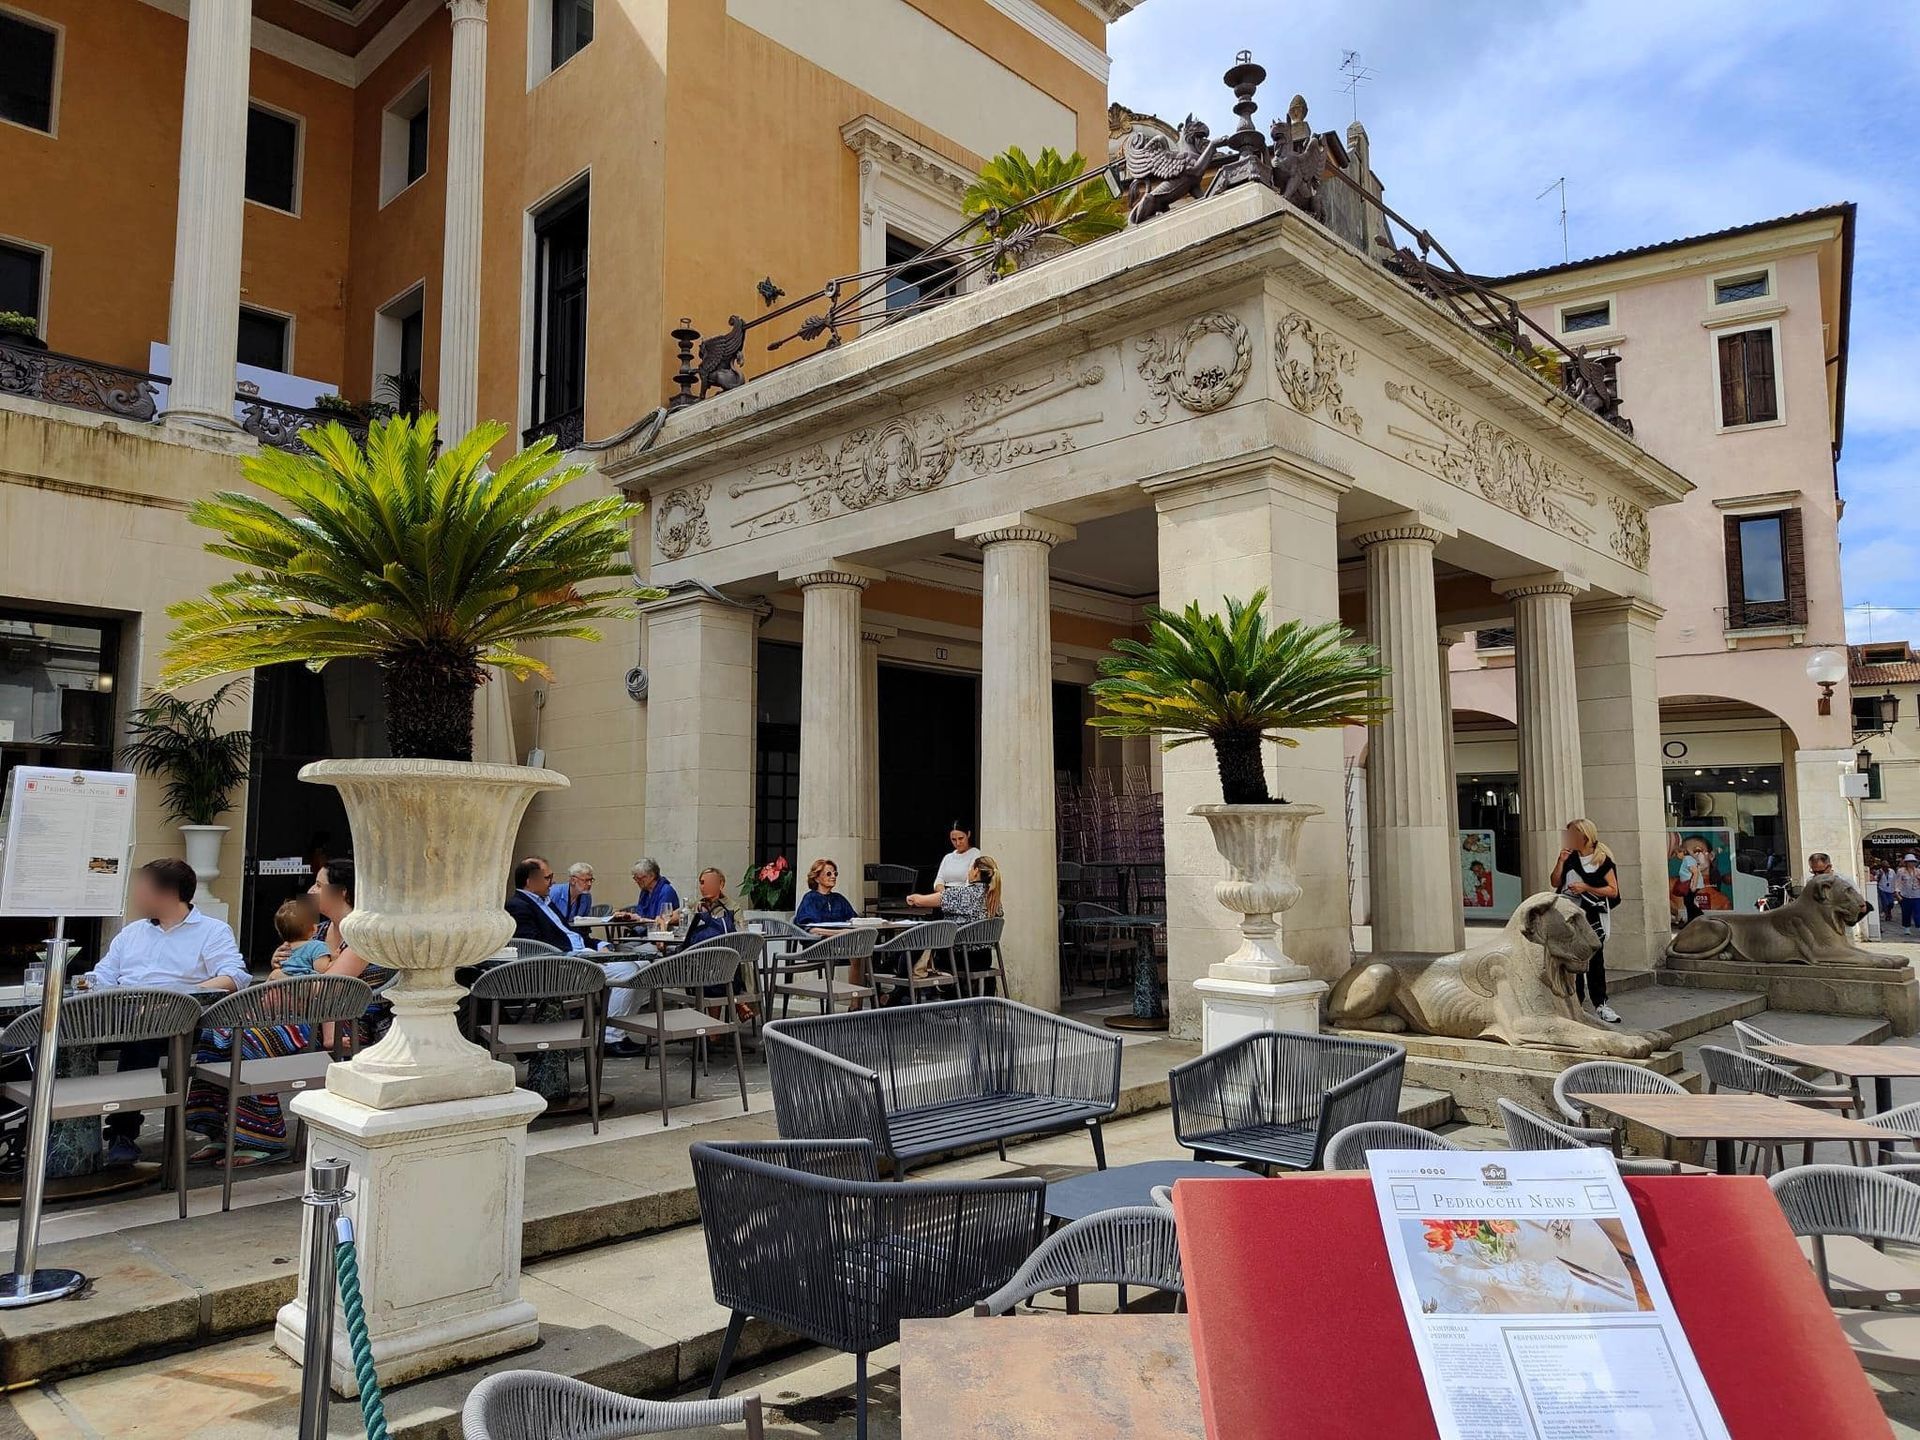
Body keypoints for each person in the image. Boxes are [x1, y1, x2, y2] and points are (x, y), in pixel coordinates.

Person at [83, 858, 249, 1168]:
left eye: (142, 888)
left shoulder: (211, 931)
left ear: (168, 892)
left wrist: (172, 1000)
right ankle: (50, 1128)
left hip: (179, 1018)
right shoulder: (132, 933)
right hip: (121, 1010)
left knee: (142, 1035)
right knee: (52, 1035)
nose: (135, 895)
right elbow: (102, 976)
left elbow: (233, 977)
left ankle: (122, 1133)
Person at [1552, 819, 1620, 1024]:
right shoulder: (1570, 858)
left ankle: (1601, 1003)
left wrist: (1586, 887)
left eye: (1572, 834)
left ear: (1584, 836)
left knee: (1595, 959)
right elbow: (1555, 882)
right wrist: (1561, 861)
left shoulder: (1602, 859)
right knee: (1573, 958)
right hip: (1571, 913)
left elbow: (1613, 890)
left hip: (1593, 914)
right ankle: (1577, 1002)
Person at [507, 856, 588, 953]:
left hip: (581, 953)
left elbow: (567, 930)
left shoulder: (546, 902)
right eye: (548, 878)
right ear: (530, 882)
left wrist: (600, 945)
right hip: (562, 961)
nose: (552, 882)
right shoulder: (518, 906)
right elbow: (533, 946)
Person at [793, 858, 857, 931]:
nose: (833, 876)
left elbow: (855, 920)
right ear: (817, 878)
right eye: (829, 874)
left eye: (835, 873)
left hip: (842, 941)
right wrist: (840, 933)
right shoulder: (810, 898)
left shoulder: (839, 898)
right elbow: (811, 929)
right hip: (819, 941)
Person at [271, 896, 330, 976]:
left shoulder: (284, 950)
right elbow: (322, 969)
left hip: (284, 986)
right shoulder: (317, 946)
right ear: (314, 928)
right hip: (306, 986)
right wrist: (335, 960)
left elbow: (278, 967)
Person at [614, 857, 681, 925]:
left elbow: (660, 921)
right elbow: (640, 915)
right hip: (644, 930)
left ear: (652, 876)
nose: (637, 882)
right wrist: (628, 916)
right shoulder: (645, 891)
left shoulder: (666, 891)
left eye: (639, 879)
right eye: (635, 878)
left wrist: (640, 919)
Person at [933, 823, 983, 890]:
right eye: (954, 839)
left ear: (968, 834)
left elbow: (971, 881)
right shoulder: (948, 857)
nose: (958, 843)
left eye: (961, 838)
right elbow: (939, 879)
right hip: (944, 894)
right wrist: (941, 890)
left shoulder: (975, 853)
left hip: (963, 894)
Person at [1898, 856, 1920, 936]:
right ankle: (1906, 928)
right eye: (1909, 861)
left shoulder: (1918, 871)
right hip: (1905, 895)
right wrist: (1897, 893)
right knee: (1906, 912)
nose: (1911, 863)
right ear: (1906, 863)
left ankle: (1919, 926)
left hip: (1917, 895)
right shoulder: (1901, 871)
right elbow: (1898, 882)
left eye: (1913, 861)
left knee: (1918, 912)